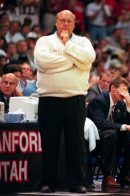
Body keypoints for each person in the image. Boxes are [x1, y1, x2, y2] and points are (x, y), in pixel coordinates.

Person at [34, 10, 96, 193]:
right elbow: (43, 63)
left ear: (74, 24)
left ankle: (77, 182)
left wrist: (68, 45)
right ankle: (48, 182)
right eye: (62, 20)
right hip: (49, 98)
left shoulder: (83, 42)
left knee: (75, 143)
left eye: (69, 21)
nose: (65, 24)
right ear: (56, 22)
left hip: (75, 98)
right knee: (49, 142)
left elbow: (88, 59)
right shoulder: (44, 41)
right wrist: (73, 63)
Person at [87, 77, 130, 188]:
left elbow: (127, 124)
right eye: (122, 90)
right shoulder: (99, 100)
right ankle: (108, 176)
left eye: (126, 91)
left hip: (114, 138)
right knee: (111, 133)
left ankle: (125, 175)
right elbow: (101, 124)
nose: (124, 93)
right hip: (97, 138)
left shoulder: (121, 104)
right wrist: (127, 127)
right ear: (113, 88)